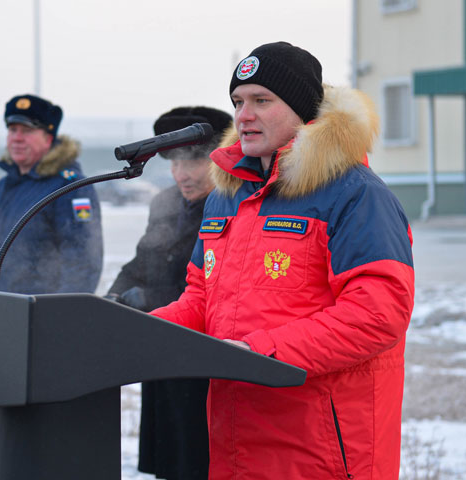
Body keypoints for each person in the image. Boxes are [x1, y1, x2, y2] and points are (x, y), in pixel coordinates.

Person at [150, 42, 415, 479]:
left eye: (261, 100)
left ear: (300, 109)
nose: (244, 115)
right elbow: (201, 298)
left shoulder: (356, 194)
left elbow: (377, 314)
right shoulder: (226, 197)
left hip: (320, 449)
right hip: (236, 441)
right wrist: (144, 332)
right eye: (238, 102)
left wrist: (259, 352)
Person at [107, 106, 232, 480]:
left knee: (197, 460)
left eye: (191, 162)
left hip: (202, 361)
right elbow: (142, 262)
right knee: (168, 459)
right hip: (161, 353)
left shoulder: (230, 206)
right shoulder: (164, 202)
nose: (181, 174)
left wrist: (150, 300)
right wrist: (113, 297)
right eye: (173, 163)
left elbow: (214, 286)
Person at [0, 94, 103, 293]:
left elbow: (83, 263)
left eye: (27, 131)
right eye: (12, 130)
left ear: (48, 138)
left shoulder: (70, 188)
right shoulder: (0, 188)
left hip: (41, 314)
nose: (17, 138)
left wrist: (58, 316)